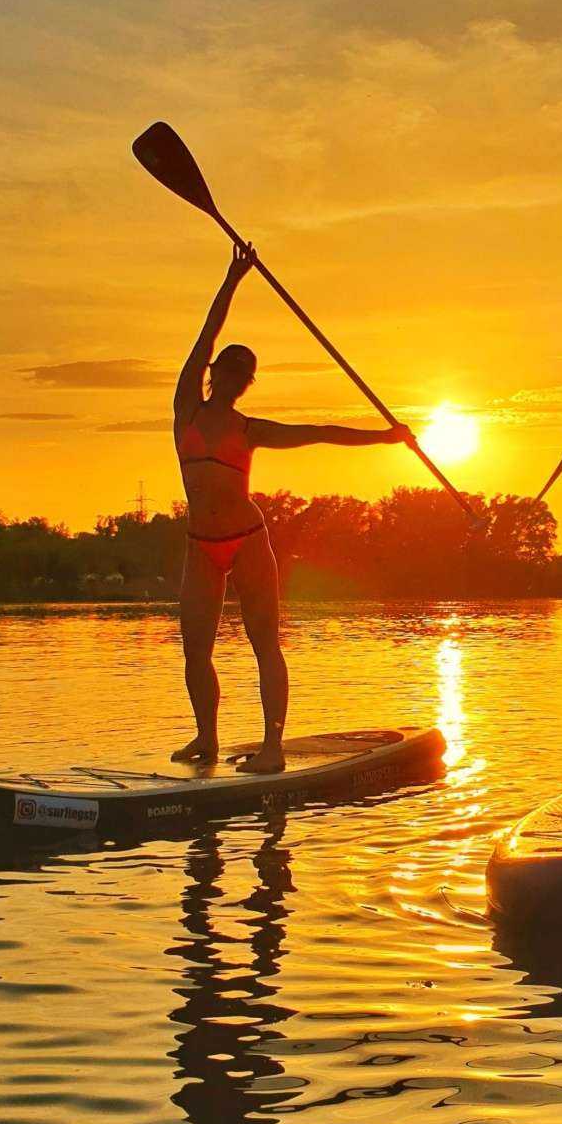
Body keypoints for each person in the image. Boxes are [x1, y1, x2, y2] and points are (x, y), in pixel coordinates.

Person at [172, 240, 411, 772]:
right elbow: (206, 332)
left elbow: (319, 432)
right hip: (200, 545)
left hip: (247, 540)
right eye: (228, 371)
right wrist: (233, 279)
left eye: (243, 377)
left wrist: (385, 437)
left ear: (246, 384)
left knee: (264, 642)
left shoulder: (249, 429)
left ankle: (273, 747)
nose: (234, 380)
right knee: (195, 648)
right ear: (214, 373)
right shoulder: (186, 406)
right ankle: (206, 738)